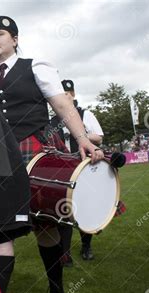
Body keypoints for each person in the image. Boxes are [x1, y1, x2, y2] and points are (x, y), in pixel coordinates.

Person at [0, 16, 104, 293]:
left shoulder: (36, 66)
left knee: (46, 226)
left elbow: (62, 104)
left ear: (15, 40)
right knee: (0, 230)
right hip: (0, 158)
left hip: (35, 153)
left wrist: (82, 138)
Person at [51, 79, 104, 263]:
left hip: (83, 168)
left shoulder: (85, 114)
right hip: (62, 170)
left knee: (85, 208)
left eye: (68, 93)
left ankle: (86, 246)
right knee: (62, 211)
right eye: (62, 94)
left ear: (72, 94)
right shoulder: (52, 121)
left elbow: (99, 137)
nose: (65, 96)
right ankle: (64, 252)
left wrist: (79, 134)